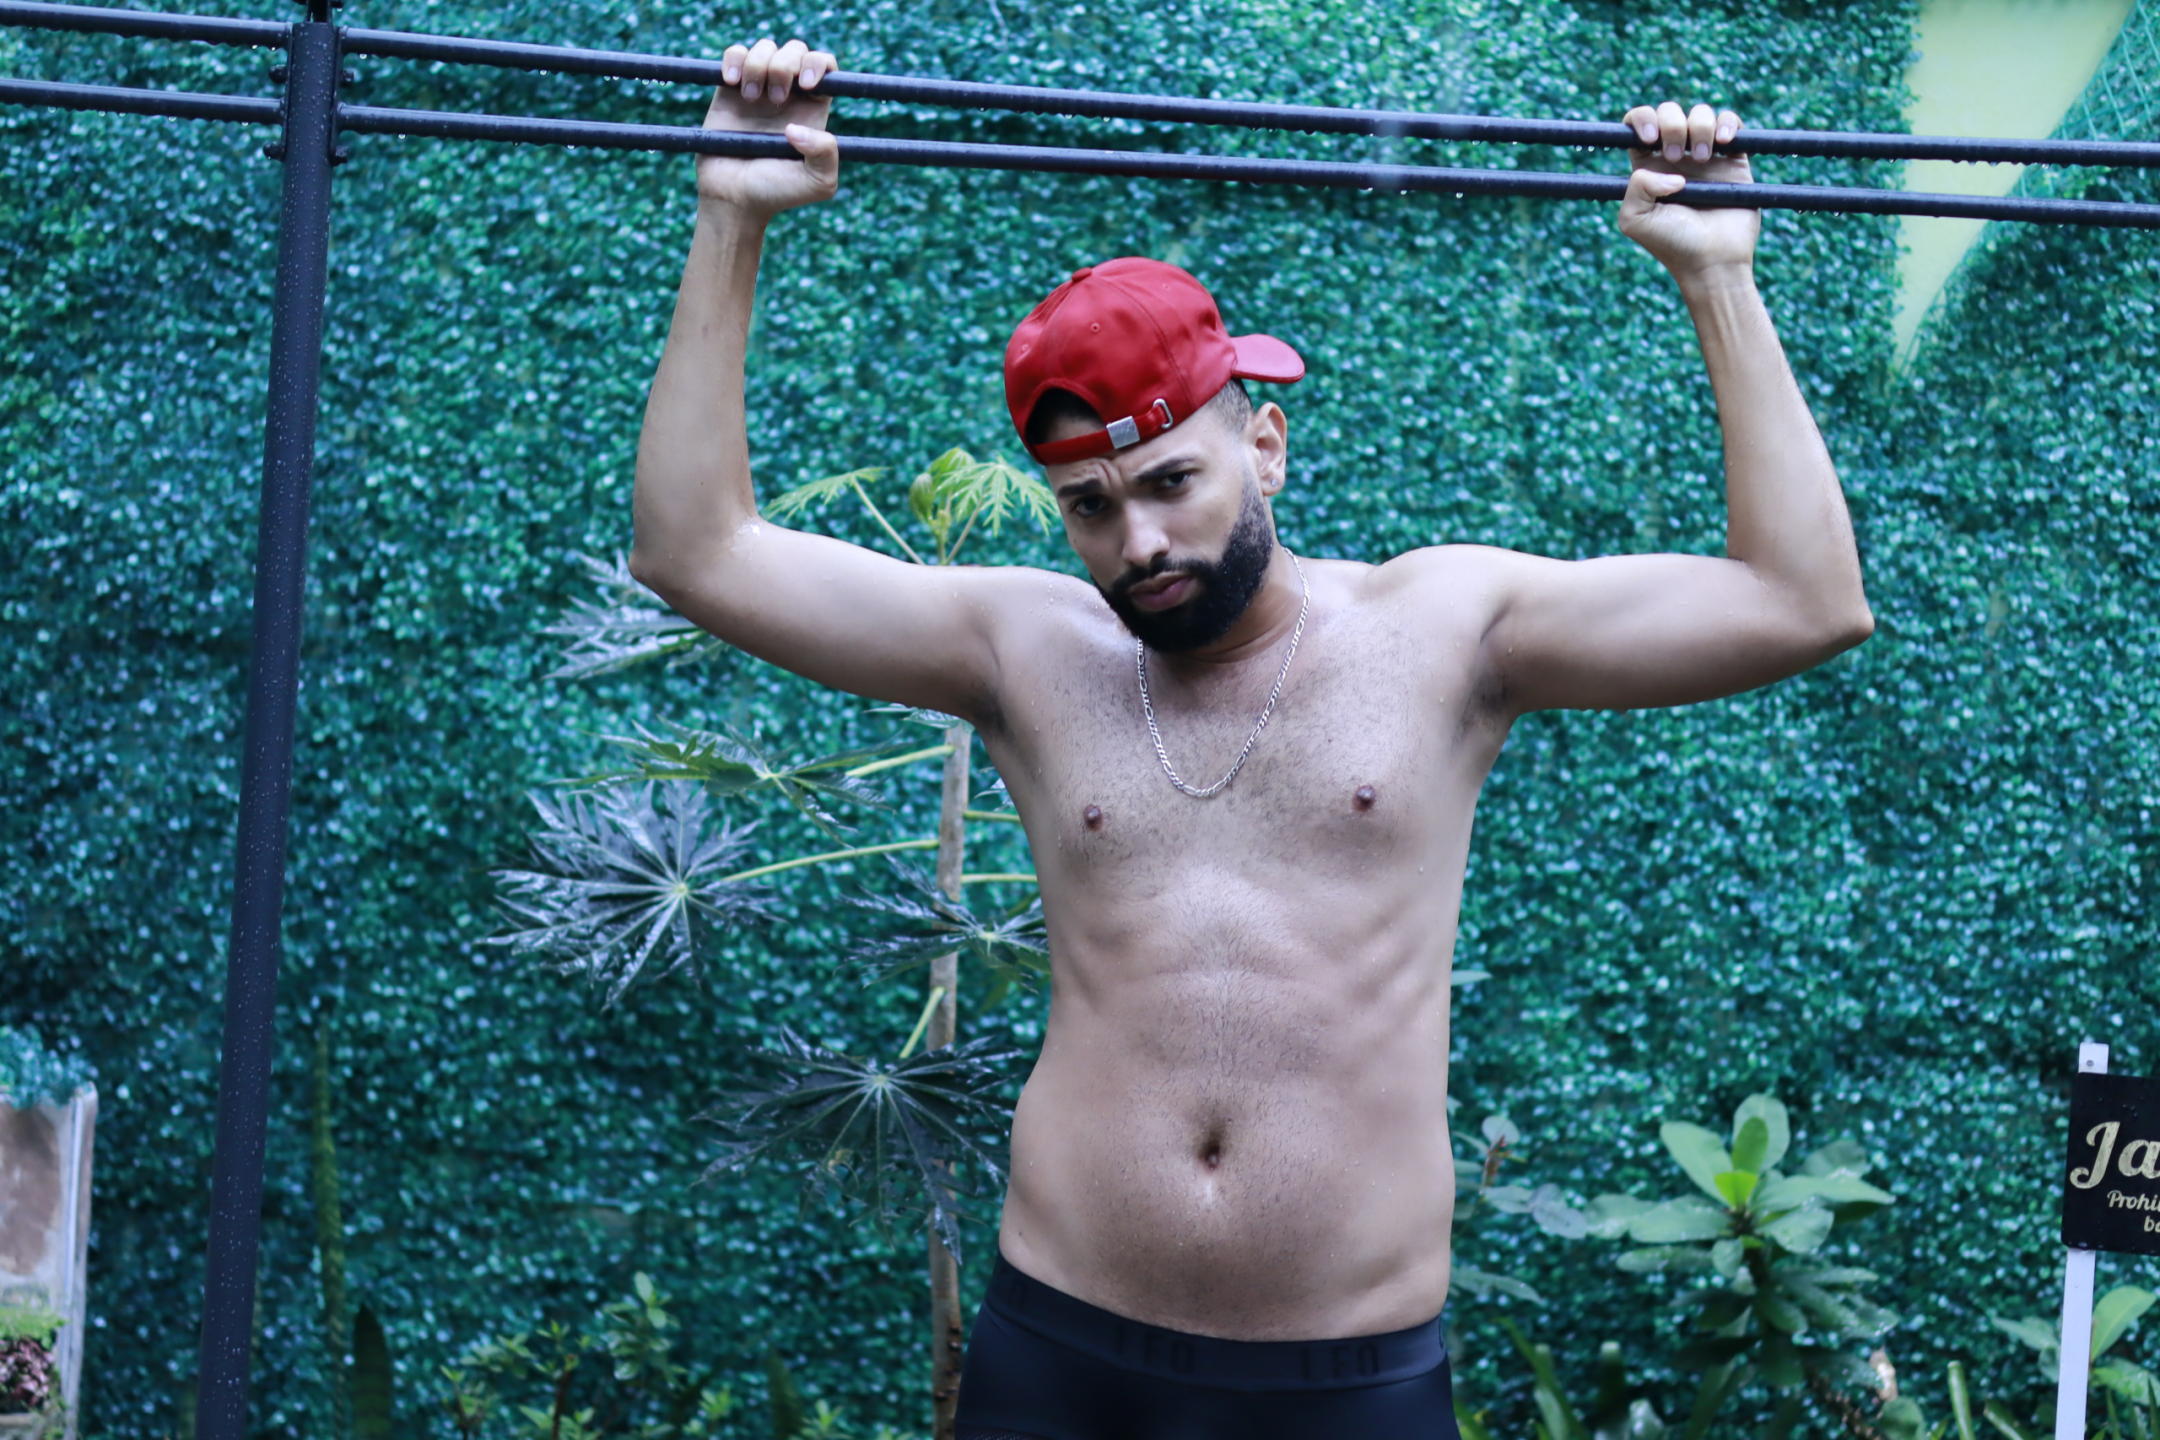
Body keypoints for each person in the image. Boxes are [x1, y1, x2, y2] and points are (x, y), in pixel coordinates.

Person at [630, 36, 1874, 1440]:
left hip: (1345, 1375)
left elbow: (1803, 601)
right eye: (1092, 506)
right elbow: (696, 549)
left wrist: (1717, 275)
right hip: (1062, 1347)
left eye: (1173, 481)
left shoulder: (1444, 632)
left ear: (1265, 446)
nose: (1140, 541)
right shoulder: (1025, 651)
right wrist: (730, 214)